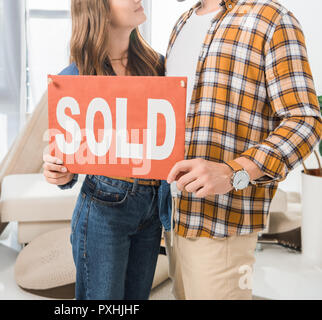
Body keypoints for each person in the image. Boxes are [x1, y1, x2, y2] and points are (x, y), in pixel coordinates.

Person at [164, 0, 322, 300]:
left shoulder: (271, 18)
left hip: (222, 222)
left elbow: (305, 121)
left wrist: (233, 172)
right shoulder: (182, 24)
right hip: (173, 219)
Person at [42, 0, 171, 300]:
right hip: (103, 209)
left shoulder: (158, 66)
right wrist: (59, 172)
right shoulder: (75, 76)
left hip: (151, 211)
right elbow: (67, 160)